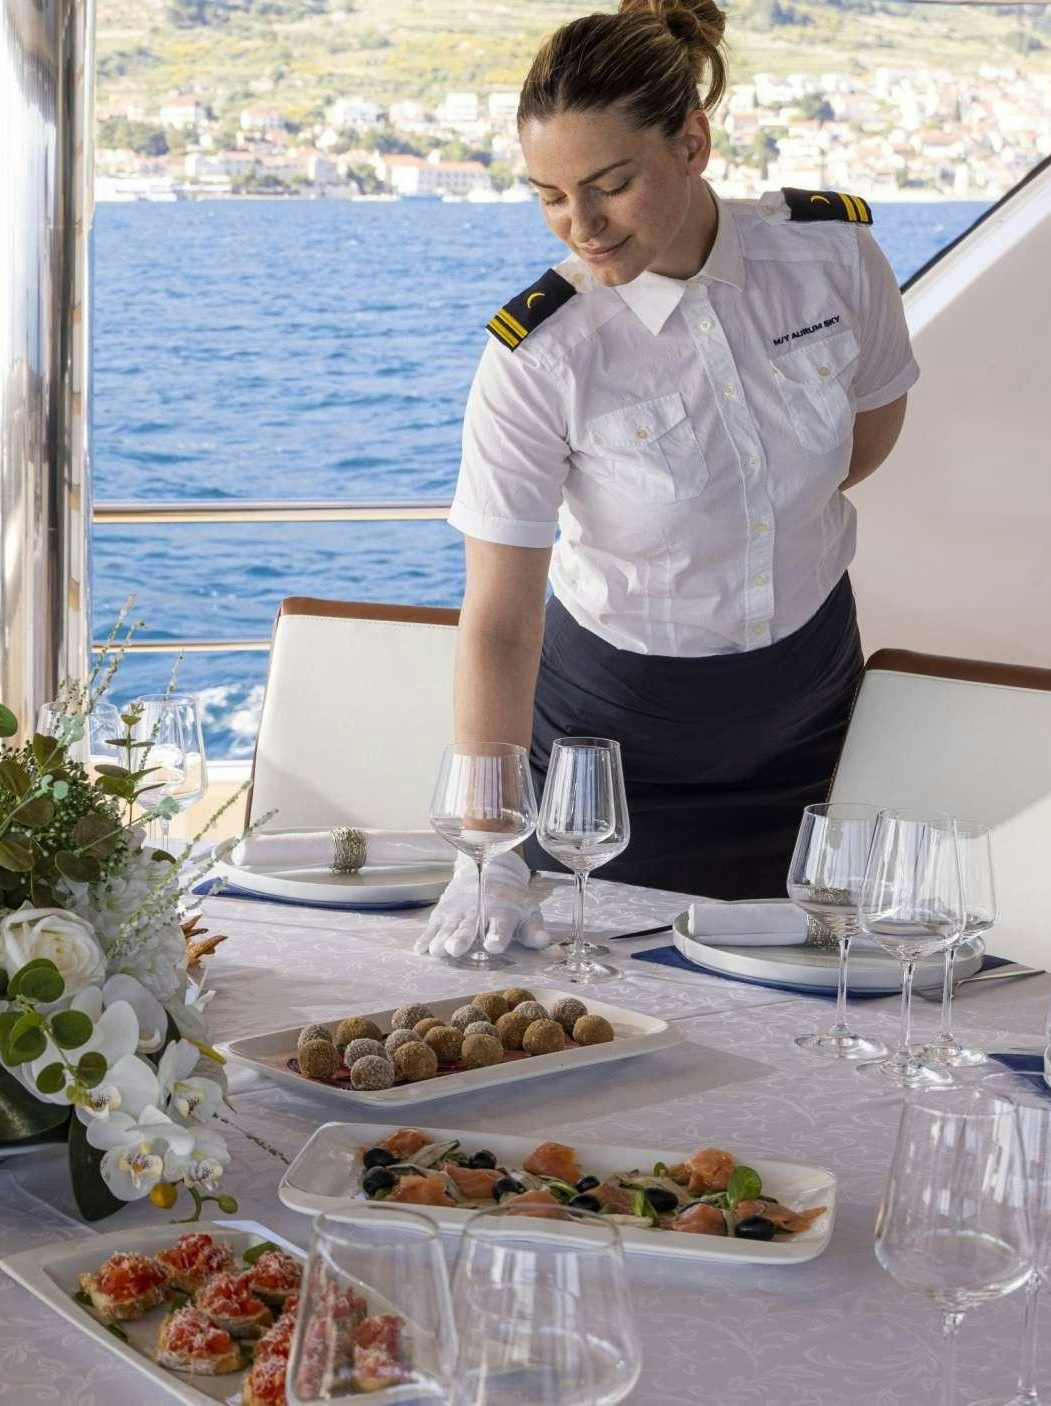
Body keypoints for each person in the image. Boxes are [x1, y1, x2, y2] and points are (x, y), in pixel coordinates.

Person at [420, 0, 918, 961]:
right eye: (551, 196)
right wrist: (488, 845)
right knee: (619, 1019)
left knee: (812, 1008)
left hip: (813, 714)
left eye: (610, 185)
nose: (583, 226)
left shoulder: (832, 257)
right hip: (611, 753)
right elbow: (500, 620)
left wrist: (750, 516)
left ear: (692, 143)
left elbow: (871, 428)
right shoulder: (541, 354)